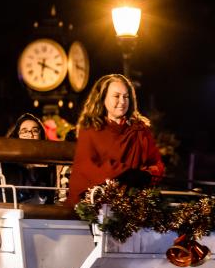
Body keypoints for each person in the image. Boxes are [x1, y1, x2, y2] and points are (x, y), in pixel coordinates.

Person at [66, 74, 164, 205]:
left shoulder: (140, 130)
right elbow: (87, 167)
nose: (122, 102)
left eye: (126, 96)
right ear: (103, 98)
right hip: (97, 204)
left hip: (134, 205)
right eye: (116, 96)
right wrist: (123, 173)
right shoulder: (89, 129)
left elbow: (156, 164)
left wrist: (146, 176)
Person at [0, 112, 56, 204]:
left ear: (41, 135)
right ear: (17, 135)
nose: (30, 134)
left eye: (35, 130)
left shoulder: (50, 161)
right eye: (25, 131)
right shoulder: (7, 162)